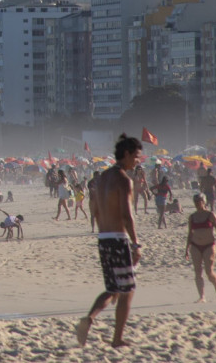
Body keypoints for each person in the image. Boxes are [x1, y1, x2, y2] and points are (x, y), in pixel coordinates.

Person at [76, 133, 142, 349]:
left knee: (113, 288)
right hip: (118, 238)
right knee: (127, 291)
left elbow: (95, 209)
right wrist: (135, 243)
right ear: (126, 154)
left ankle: (89, 318)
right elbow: (127, 215)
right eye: (136, 156)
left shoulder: (103, 178)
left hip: (103, 238)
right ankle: (117, 339)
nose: (138, 161)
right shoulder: (124, 180)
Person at [184, 194, 216, 302]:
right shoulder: (192, 217)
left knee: (209, 271)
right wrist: (187, 249)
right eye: (196, 202)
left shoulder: (210, 215)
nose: (197, 204)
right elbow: (190, 234)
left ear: (204, 202)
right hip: (195, 245)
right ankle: (202, 296)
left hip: (209, 245)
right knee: (197, 272)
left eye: (199, 202)